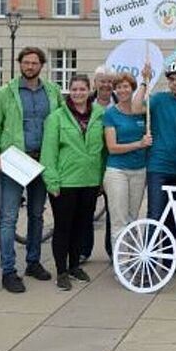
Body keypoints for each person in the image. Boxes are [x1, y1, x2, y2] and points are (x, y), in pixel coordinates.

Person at [0, 46, 63, 294]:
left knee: (37, 215)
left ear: (42, 65)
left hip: (42, 161)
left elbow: (62, 122)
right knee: (8, 217)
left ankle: (33, 261)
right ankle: (8, 270)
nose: (30, 66)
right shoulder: (6, 92)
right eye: (26, 62)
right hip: (14, 161)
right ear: (20, 64)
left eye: (34, 63)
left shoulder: (52, 91)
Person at [40, 74, 105, 291]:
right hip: (65, 182)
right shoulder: (56, 117)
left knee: (82, 225)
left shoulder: (99, 115)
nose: (78, 93)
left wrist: (101, 178)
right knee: (63, 227)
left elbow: (103, 151)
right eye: (74, 89)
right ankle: (61, 271)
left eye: (82, 89)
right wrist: (51, 181)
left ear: (89, 91)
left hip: (89, 180)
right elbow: (48, 152)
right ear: (69, 91)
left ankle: (75, 264)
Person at [134, 61, 176, 245]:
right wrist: (144, 82)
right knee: (155, 214)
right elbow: (136, 108)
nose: (175, 83)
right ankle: (147, 260)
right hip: (159, 166)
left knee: (173, 218)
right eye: (172, 79)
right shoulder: (159, 99)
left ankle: (168, 262)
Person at [103, 72, 151, 252]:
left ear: (132, 89)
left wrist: (145, 81)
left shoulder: (142, 110)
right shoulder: (111, 114)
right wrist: (139, 144)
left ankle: (132, 260)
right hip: (118, 171)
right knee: (119, 220)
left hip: (139, 171)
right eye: (119, 87)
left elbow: (139, 103)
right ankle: (122, 266)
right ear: (115, 90)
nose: (123, 90)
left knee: (132, 219)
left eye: (126, 87)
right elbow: (112, 147)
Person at [83, 65, 115, 262]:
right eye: (102, 80)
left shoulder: (122, 104)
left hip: (113, 164)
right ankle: (83, 250)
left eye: (110, 81)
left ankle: (113, 250)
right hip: (90, 165)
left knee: (115, 210)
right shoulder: (83, 105)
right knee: (86, 209)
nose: (106, 84)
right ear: (94, 83)